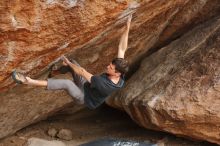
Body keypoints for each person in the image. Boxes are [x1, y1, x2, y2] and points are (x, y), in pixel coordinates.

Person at [12, 15, 132, 109]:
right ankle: (54, 73)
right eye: (110, 65)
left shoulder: (104, 85)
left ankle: (28, 81)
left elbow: (82, 71)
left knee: (67, 83)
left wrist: (67, 63)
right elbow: (122, 48)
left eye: (110, 68)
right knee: (73, 62)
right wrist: (127, 27)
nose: (107, 67)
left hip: (84, 98)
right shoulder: (120, 72)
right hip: (87, 86)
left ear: (117, 73)